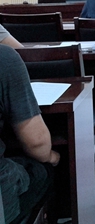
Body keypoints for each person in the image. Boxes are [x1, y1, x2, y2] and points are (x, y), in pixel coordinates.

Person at [0, 44, 60, 224]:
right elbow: (37, 144)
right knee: (43, 170)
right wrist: (52, 157)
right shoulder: (4, 58)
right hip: (3, 199)